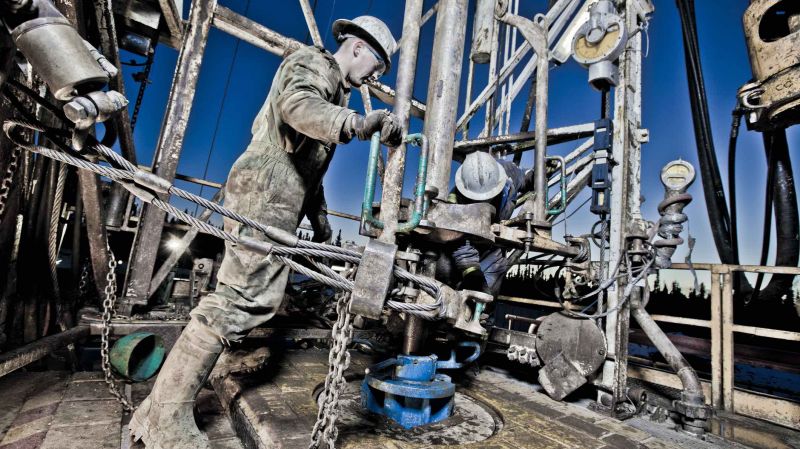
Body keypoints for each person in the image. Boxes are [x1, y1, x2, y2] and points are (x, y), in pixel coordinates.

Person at [129, 16, 402, 449]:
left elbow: (309, 173)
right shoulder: (313, 65)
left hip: (281, 194)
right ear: (356, 47)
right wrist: (356, 123)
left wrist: (323, 223)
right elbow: (297, 106)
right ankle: (165, 418)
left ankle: (154, 410)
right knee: (243, 299)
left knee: (250, 297)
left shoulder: (331, 88)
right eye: (378, 64)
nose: (375, 75)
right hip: (266, 190)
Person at [444, 151, 536, 295]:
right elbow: (458, 240)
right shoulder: (456, 201)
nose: (483, 201)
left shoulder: (508, 174)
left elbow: (523, 177)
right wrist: (471, 270)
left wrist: (533, 176)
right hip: (466, 245)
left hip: (492, 246)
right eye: (476, 198)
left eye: (488, 196)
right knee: (454, 281)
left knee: (488, 293)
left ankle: (484, 315)